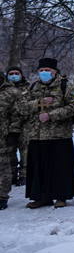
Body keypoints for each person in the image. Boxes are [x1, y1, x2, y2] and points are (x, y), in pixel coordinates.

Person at [19, 58, 74, 208]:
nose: (43, 73)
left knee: (60, 167)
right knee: (39, 168)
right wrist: (39, 103)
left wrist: (52, 115)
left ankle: (61, 196)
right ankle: (41, 197)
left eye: (47, 70)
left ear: (54, 71)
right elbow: (21, 107)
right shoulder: (33, 86)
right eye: (41, 71)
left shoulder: (65, 85)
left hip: (59, 135)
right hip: (37, 135)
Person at [0, 71, 23, 210]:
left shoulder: (12, 92)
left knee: (3, 168)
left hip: (3, 136)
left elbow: (17, 114)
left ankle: (2, 197)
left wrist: (13, 132)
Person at [4, 66, 29, 186]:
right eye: (11, 73)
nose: (13, 75)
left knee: (26, 151)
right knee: (9, 151)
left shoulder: (29, 88)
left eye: (16, 73)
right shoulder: (4, 89)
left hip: (26, 125)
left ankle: (24, 175)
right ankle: (12, 174)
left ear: (21, 75)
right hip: (8, 125)